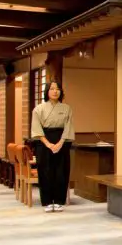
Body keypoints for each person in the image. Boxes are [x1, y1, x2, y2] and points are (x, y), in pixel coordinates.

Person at [30, 81, 74, 212]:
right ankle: (47, 201)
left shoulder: (67, 108)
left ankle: (59, 201)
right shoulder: (39, 109)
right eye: (52, 89)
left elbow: (68, 127)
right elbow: (36, 128)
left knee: (61, 171)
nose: (55, 91)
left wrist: (60, 143)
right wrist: (48, 144)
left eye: (58, 89)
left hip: (62, 141)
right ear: (47, 92)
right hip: (44, 142)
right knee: (45, 171)